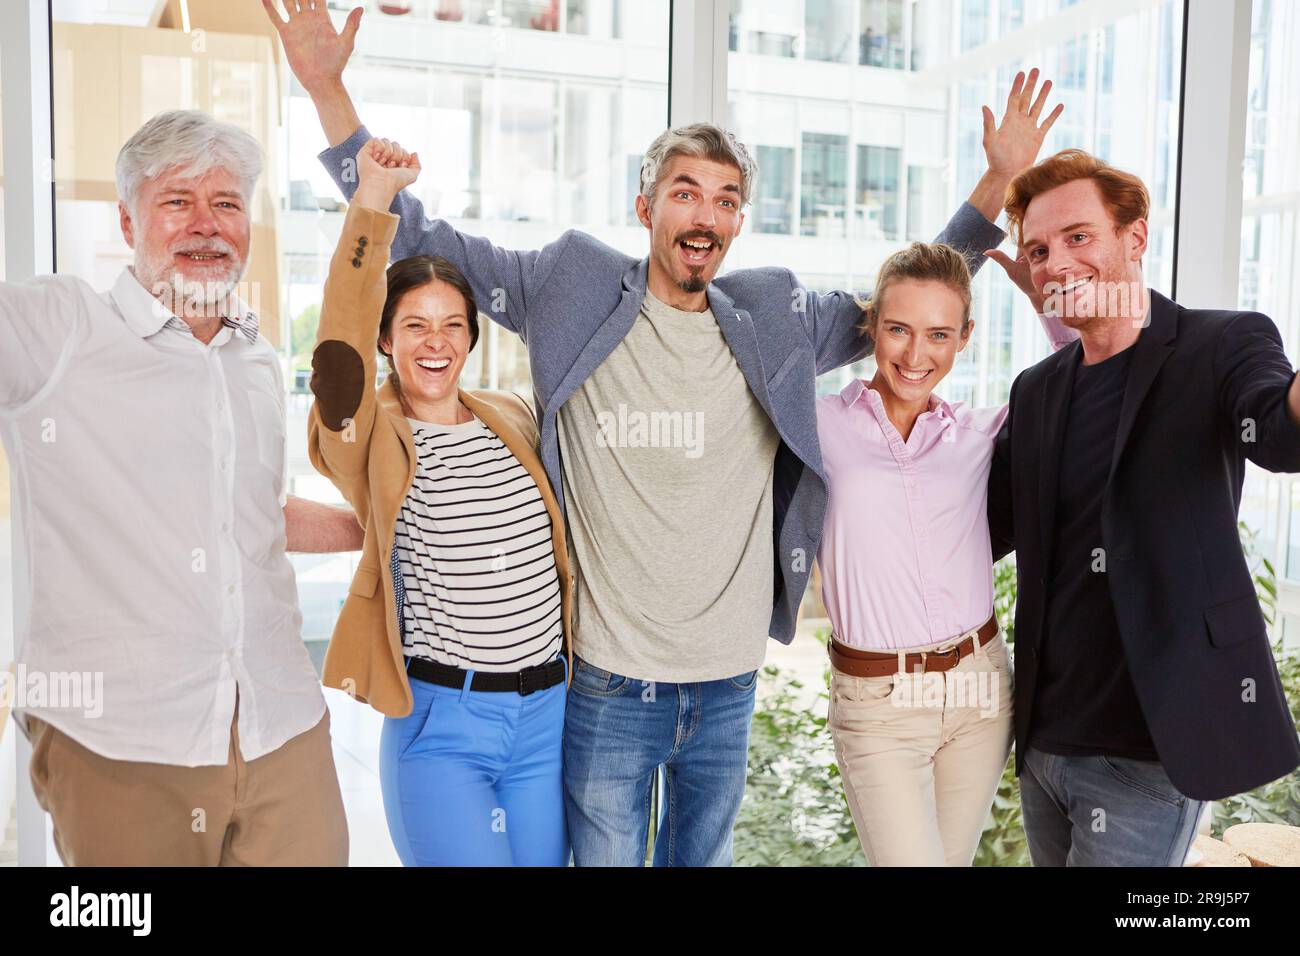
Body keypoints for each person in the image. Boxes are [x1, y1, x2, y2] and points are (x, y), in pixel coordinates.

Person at [264, 0, 1061, 866]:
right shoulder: (571, 286)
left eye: (726, 200)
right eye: (685, 193)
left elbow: (909, 309)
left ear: (739, 222)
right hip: (608, 681)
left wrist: (995, 184)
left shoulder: (776, 314)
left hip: (727, 682)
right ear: (645, 204)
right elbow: (421, 236)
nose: (704, 215)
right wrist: (329, 94)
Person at [2, 109, 363, 866]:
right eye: (178, 201)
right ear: (127, 220)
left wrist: (379, 525)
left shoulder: (255, 359)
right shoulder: (59, 330)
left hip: (278, 724)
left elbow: (251, 515)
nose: (206, 224)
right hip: (122, 741)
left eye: (226, 203)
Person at [987, 148, 1300, 866]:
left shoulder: (1221, 344)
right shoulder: (1037, 388)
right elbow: (981, 529)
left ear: (1135, 238)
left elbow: (1279, 433)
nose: (1056, 263)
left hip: (1149, 748)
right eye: (1039, 251)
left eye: (1078, 236)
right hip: (1043, 744)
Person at [307, 137, 574, 866]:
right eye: (415, 325)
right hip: (444, 727)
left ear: (472, 338)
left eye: (453, 324)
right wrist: (372, 200)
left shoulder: (510, 417)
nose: (436, 342)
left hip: (548, 719)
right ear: (386, 340)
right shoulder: (371, 436)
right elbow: (337, 353)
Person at [818, 242, 1074, 865]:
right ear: (871, 325)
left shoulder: (978, 434)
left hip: (980, 691)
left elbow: (1087, 384)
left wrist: (1045, 301)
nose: (915, 355)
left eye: (938, 334)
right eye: (898, 329)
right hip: (878, 706)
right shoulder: (818, 424)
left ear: (965, 338)